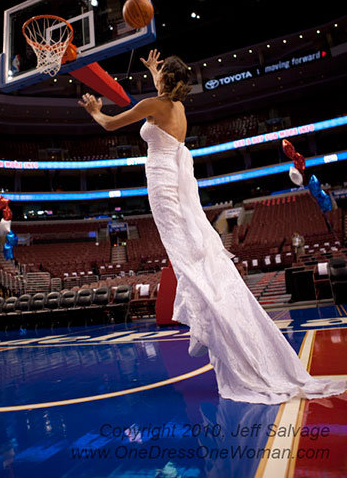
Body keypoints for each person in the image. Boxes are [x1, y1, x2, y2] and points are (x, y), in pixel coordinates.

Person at [78, 49, 347, 405]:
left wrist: (95, 111)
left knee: (190, 265)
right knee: (195, 262)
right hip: (171, 181)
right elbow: (165, 93)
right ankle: (220, 327)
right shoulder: (178, 108)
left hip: (163, 186)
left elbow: (112, 124)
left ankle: (216, 327)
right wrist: (158, 70)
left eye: (159, 76)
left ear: (164, 83)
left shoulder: (153, 106)